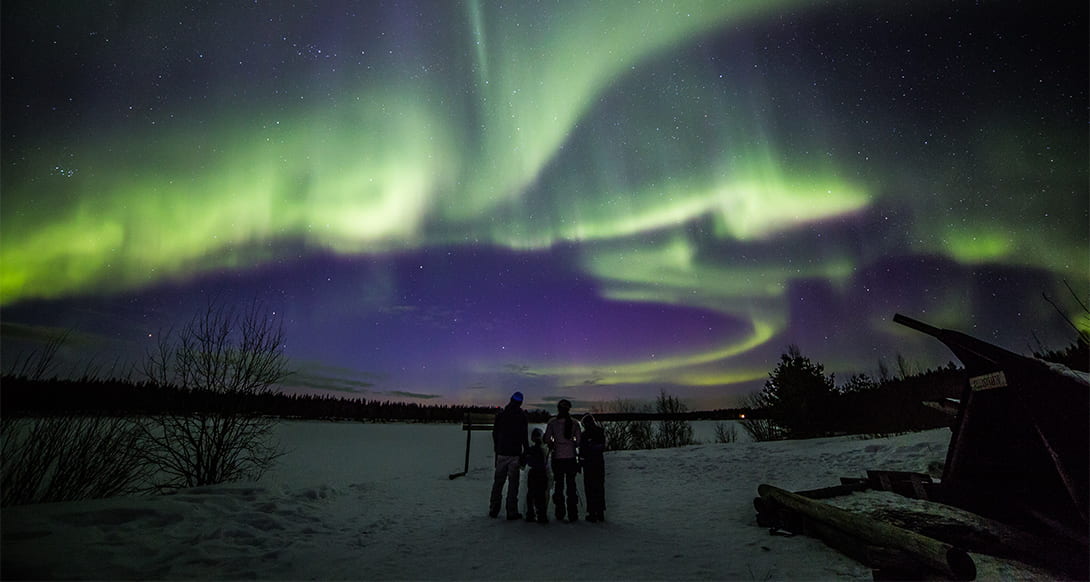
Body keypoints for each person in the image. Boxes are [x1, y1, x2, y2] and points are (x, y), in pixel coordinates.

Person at [490, 391, 529, 520]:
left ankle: (494, 509)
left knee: (498, 482)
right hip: (514, 454)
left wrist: (497, 448)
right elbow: (524, 436)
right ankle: (511, 511)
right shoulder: (521, 416)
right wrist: (526, 451)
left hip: (502, 452)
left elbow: (495, 433)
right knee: (513, 484)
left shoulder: (501, 415)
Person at [543, 399, 582, 522]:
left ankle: (559, 512)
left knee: (559, 485)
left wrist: (554, 444)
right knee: (571, 485)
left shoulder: (552, 423)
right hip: (570, 458)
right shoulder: (575, 423)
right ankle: (573, 513)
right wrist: (571, 444)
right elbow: (579, 441)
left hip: (558, 458)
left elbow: (546, 439)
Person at [579, 413, 607, 523]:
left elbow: (582, 451)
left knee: (590, 488)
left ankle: (592, 513)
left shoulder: (585, 435)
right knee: (599, 487)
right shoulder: (600, 432)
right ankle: (600, 512)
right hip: (598, 463)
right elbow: (602, 446)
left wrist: (581, 461)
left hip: (590, 464)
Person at [523, 428, 549, 524]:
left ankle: (531, 514)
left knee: (531, 494)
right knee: (541, 494)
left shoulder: (531, 450)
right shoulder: (544, 450)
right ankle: (541, 514)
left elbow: (524, 462)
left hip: (534, 473)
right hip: (541, 473)